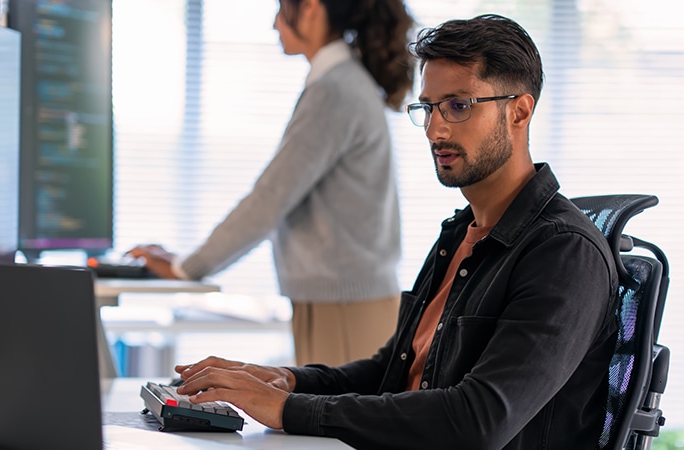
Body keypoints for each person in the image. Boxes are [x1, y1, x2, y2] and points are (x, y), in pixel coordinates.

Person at [169, 14, 620, 450]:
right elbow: (392, 369)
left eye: (458, 106)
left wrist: (289, 409)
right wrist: (285, 381)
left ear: (519, 112)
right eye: (428, 108)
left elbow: (479, 420)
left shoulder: (563, 254)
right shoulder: (460, 232)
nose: (435, 129)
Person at [129, 0, 415, 366]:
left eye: (282, 9)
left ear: (310, 7)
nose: (275, 24)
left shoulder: (335, 90)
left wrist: (187, 267)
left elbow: (270, 199)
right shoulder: (340, 82)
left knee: (333, 422)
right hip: (342, 303)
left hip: (345, 309)